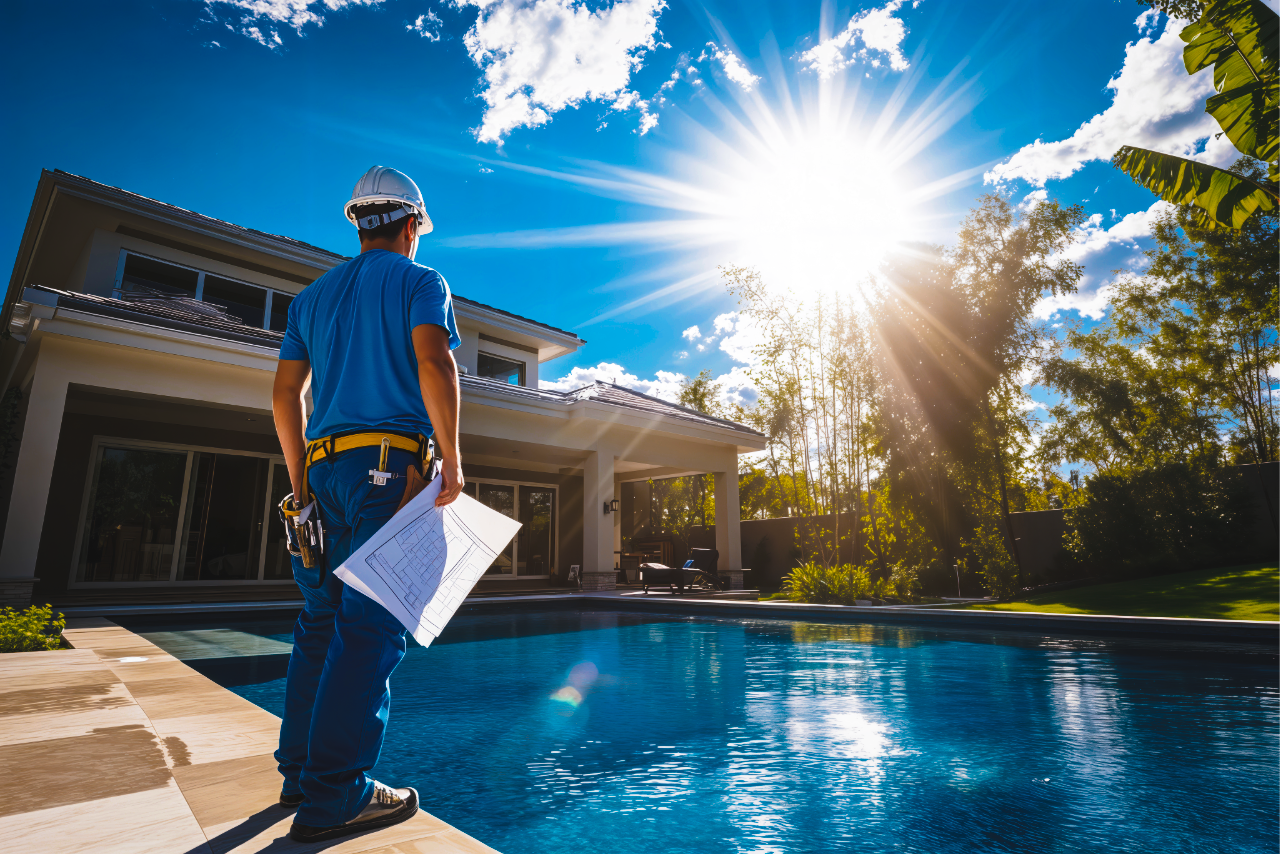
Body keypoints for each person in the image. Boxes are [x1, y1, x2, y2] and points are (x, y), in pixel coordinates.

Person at [271, 165, 464, 843]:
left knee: (319, 624)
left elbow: (283, 396)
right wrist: (452, 458)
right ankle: (335, 795)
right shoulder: (421, 281)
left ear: (359, 222)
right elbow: (433, 363)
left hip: (321, 474)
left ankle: (299, 771)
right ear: (412, 225)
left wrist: (300, 484)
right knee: (371, 627)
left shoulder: (311, 299)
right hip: (387, 469)